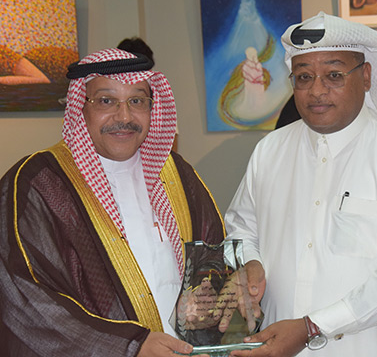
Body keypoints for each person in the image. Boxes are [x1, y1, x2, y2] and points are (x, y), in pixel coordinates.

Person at [225, 11, 377, 357]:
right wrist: (250, 263)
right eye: (304, 77)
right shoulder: (270, 150)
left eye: (334, 75)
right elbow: (240, 230)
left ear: (366, 75)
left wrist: (312, 326)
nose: (317, 90)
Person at [0, 48, 227, 356]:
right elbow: (24, 295)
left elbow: (212, 256)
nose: (124, 117)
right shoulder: (38, 183)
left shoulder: (177, 174)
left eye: (137, 101)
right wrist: (129, 347)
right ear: (80, 107)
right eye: (106, 101)